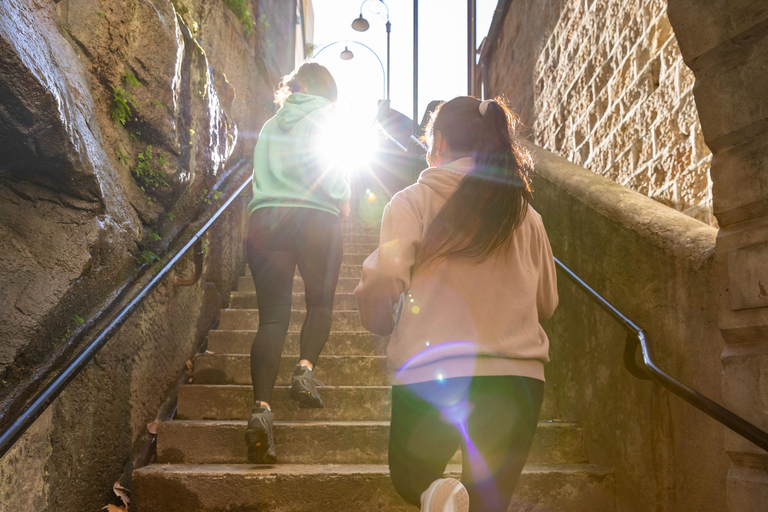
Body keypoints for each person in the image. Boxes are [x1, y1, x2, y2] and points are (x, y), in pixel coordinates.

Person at [354, 96, 558, 512]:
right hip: (516, 379)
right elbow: (548, 302)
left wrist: (373, 312)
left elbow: (385, 277)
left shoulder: (412, 201)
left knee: (412, 474)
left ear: (440, 142)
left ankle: (438, 496)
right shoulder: (526, 215)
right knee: (488, 503)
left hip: (436, 371)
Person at [244, 62, 351, 464]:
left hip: (267, 220)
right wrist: (342, 196)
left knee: (271, 319)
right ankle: (304, 370)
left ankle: (262, 410)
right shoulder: (327, 116)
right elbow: (326, 166)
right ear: (327, 91)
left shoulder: (271, 125)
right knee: (320, 303)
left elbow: (259, 173)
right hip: (316, 218)